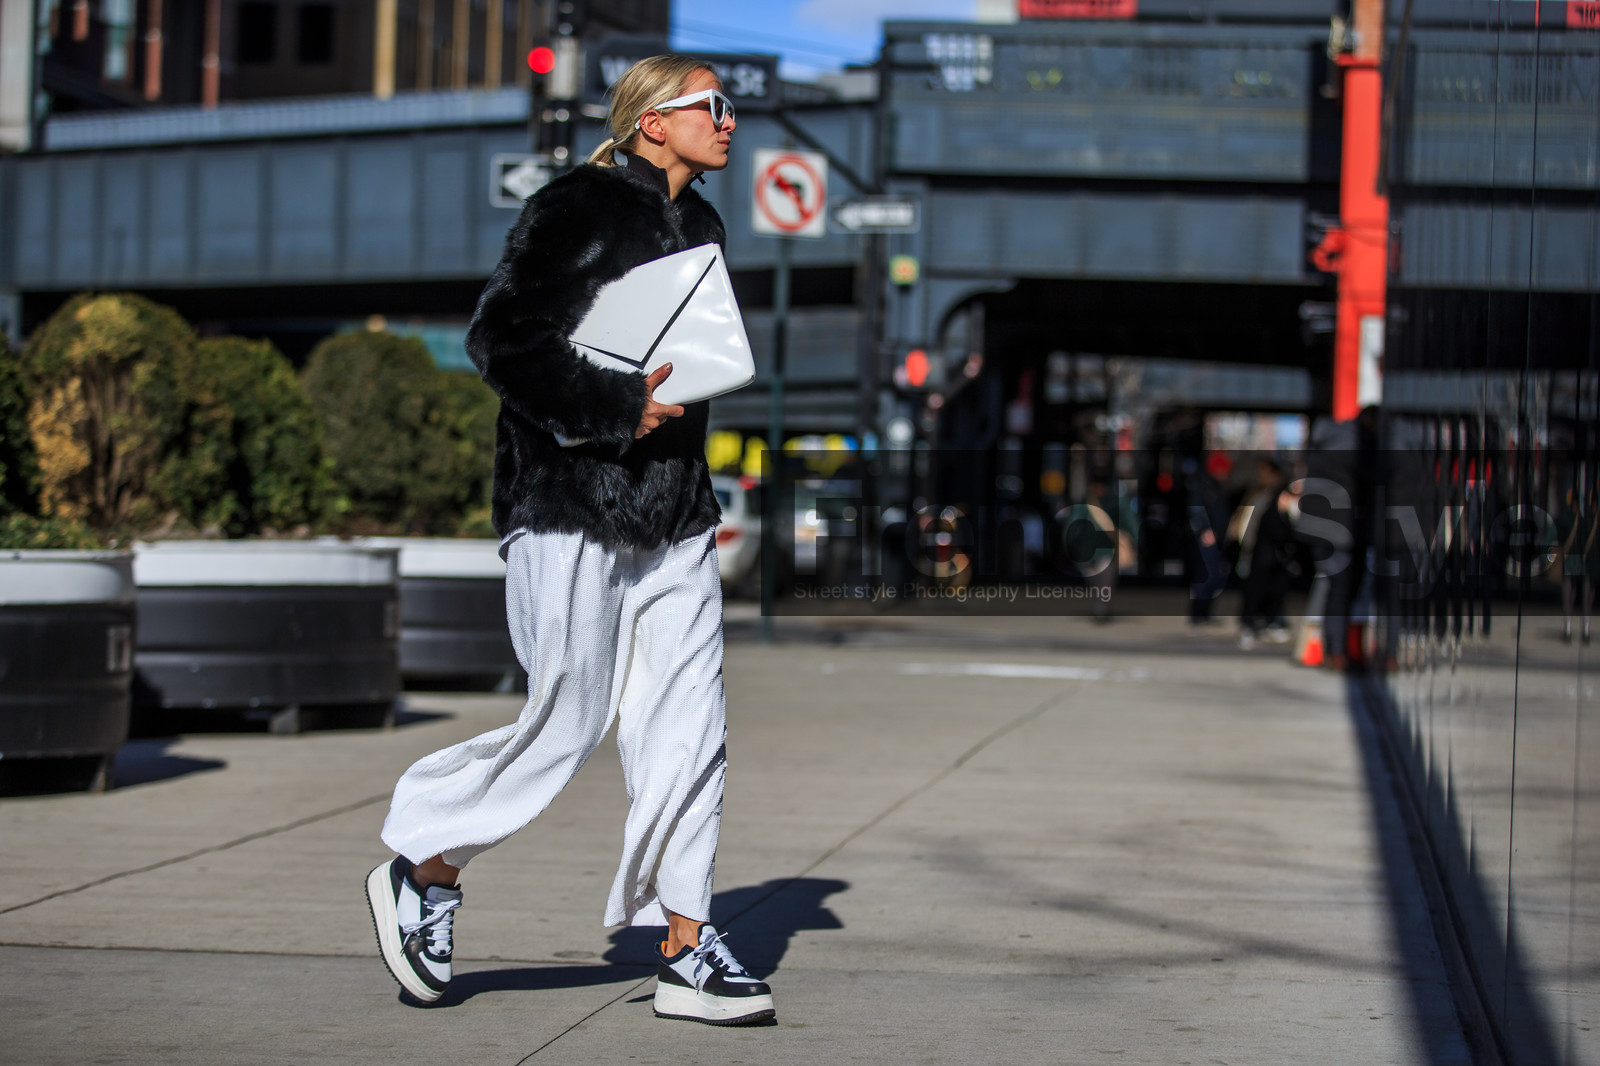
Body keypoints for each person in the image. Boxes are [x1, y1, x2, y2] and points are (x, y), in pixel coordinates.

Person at [364, 56, 775, 1027]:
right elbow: (502, 338)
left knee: (692, 729)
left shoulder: (704, 224)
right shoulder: (575, 206)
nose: (728, 120)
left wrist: (683, 458)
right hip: (567, 503)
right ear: (649, 122)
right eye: (709, 106)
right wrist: (616, 406)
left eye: (730, 107)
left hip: (672, 516)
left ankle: (684, 944)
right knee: (568, 714)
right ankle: (423, 866)